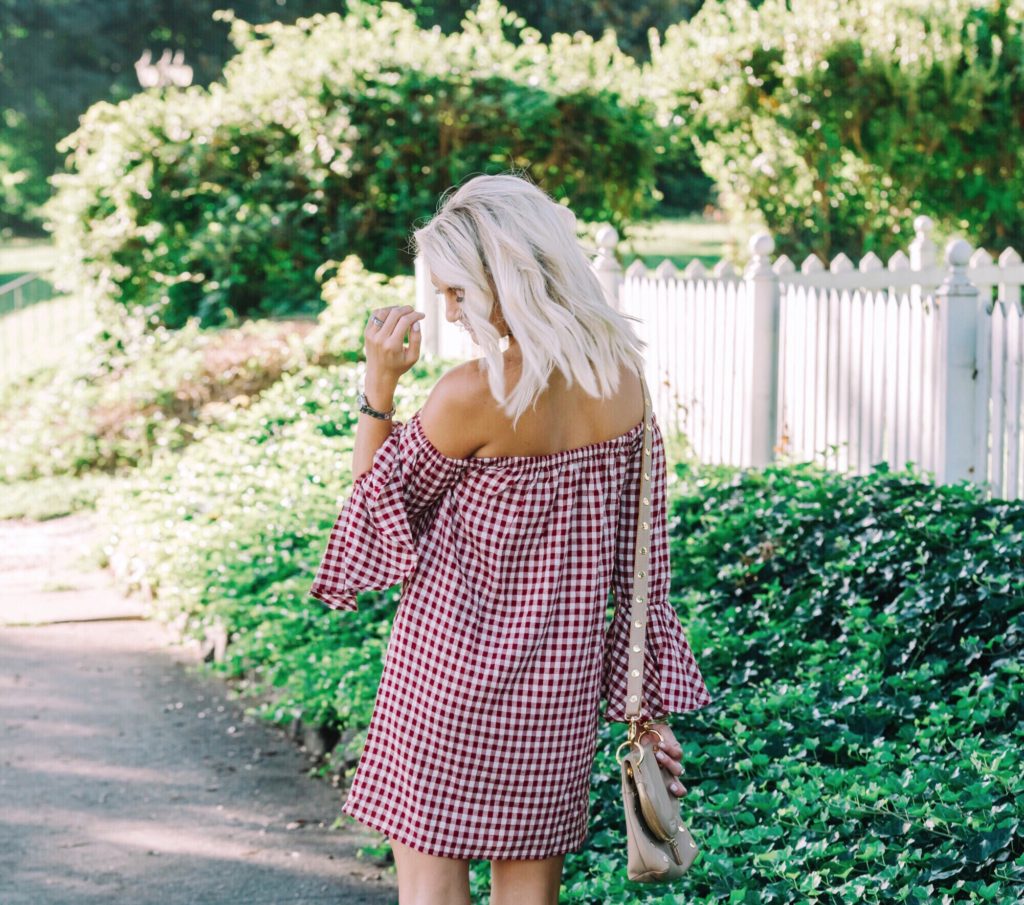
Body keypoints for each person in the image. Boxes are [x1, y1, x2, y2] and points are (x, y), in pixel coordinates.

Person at [309, 172, 713, 905]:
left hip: (442, 681)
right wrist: (645, 706)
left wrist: (378, 386)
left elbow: (371, 511)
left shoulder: (471, 395)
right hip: (556, 695)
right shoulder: (625, 383)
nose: (454, 312)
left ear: (507, 278)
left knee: (431, 889)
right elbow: (644, 564)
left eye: (459, 292)